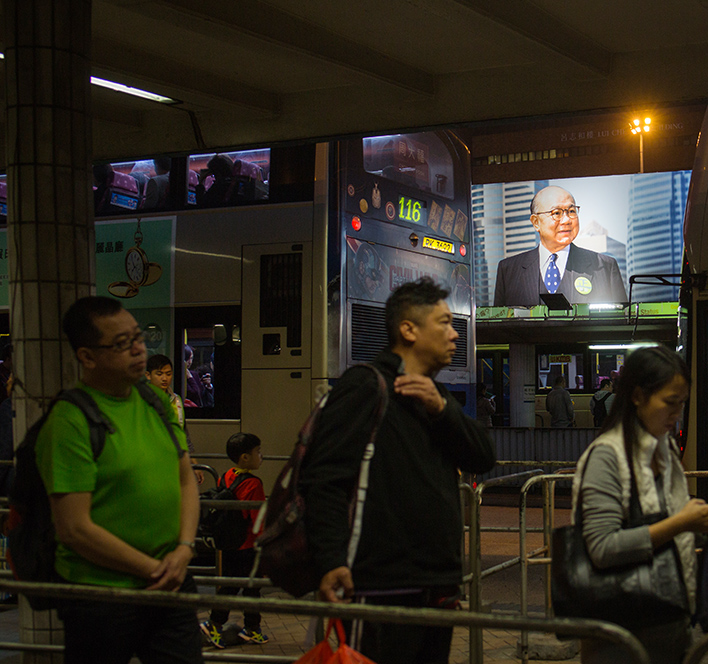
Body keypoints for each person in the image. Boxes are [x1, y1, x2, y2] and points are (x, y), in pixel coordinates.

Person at [299, 278, 495, 664]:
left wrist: (443, 409)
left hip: (436, 589)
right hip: (378, 589)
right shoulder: (365, 387)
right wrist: (332, 560)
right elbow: (324, 479)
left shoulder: (432, 399)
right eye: (444, 322)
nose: (455, 334)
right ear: (408, 329)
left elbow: (482, 457)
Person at [36, 296, 201, 663]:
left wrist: (185, 548)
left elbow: (186, 480)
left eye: (138, 338)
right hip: (102, 596)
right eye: (122, 344)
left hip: (170, 584)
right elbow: (74, 529)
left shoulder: (154, 400)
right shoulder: (70, 421)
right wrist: (157, 570)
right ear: (87, 357)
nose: (138, 351)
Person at [573, 346, 708, 664]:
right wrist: (683, 522)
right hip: (620, 637)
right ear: (637, 396)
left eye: (682, 404)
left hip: (670, 622)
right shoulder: (607, 457)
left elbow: (675, 531)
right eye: (670, 403)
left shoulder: (665, 448)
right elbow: (602, 547)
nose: (676, 414)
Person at [492, 185, 627, 307]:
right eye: (556, 213)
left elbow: (622, 323)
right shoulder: (509, 270)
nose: (567, 220)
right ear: (535, 222)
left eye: (572, 211)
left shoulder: (605, 267)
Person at [200, 432, 269, 648]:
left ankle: (251, 628)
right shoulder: (253, 484)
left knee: (232, 585)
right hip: (248, 546)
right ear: (245, 458)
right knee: (250, 588)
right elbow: (257, 519)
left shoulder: (227, 475)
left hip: (230, 543)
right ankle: (217, 624)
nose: (261, 456)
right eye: (258, 452)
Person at [147, 353, 203, 484]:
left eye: (168, 374)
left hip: (174, 459)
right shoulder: (141, 400)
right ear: (148, 375)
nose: (164, 378)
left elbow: (183, 432)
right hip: (150, 460)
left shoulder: (176, 400)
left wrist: (193, 461)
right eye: (159, 374)